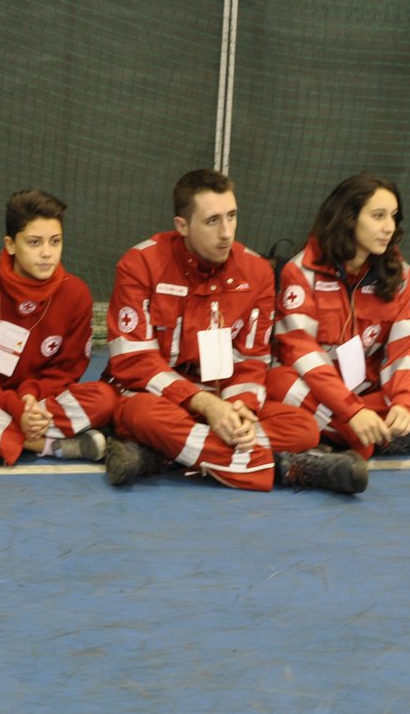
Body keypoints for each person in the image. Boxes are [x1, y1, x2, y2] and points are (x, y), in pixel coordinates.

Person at [102, 169, 367, 493]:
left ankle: (159, 456)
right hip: (155, 398)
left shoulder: (256, 271)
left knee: (304, 428)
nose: (227, 232)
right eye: (212, 221)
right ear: (182, 226)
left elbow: (251, 360)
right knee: (141, 416)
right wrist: (206, 406)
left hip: (220, 400)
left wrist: (240, 408)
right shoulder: (140, 263)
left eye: (232, 216)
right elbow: (134, 362)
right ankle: (285, 468)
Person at [268, 174, 410, 456]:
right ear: (349, 218)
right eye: (378, 216)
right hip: (321, 392)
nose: (389, 227)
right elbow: (301, 353)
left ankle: (348, 436)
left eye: (393, 217)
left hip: (369, 390)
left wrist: (404, 403)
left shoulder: (401, 274)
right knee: (279, 382)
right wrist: (351, 410)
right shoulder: (301, 272)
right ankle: (376, 436)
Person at [0, 189, 116, 464]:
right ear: (11, 244)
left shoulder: (76, 294)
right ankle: (47, 445)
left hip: (42, 403)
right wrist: (16, 408)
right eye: (35, 242)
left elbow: (66, 371)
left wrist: (30, 399)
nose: (47, 254)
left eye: (55, 241)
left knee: (104, 399)